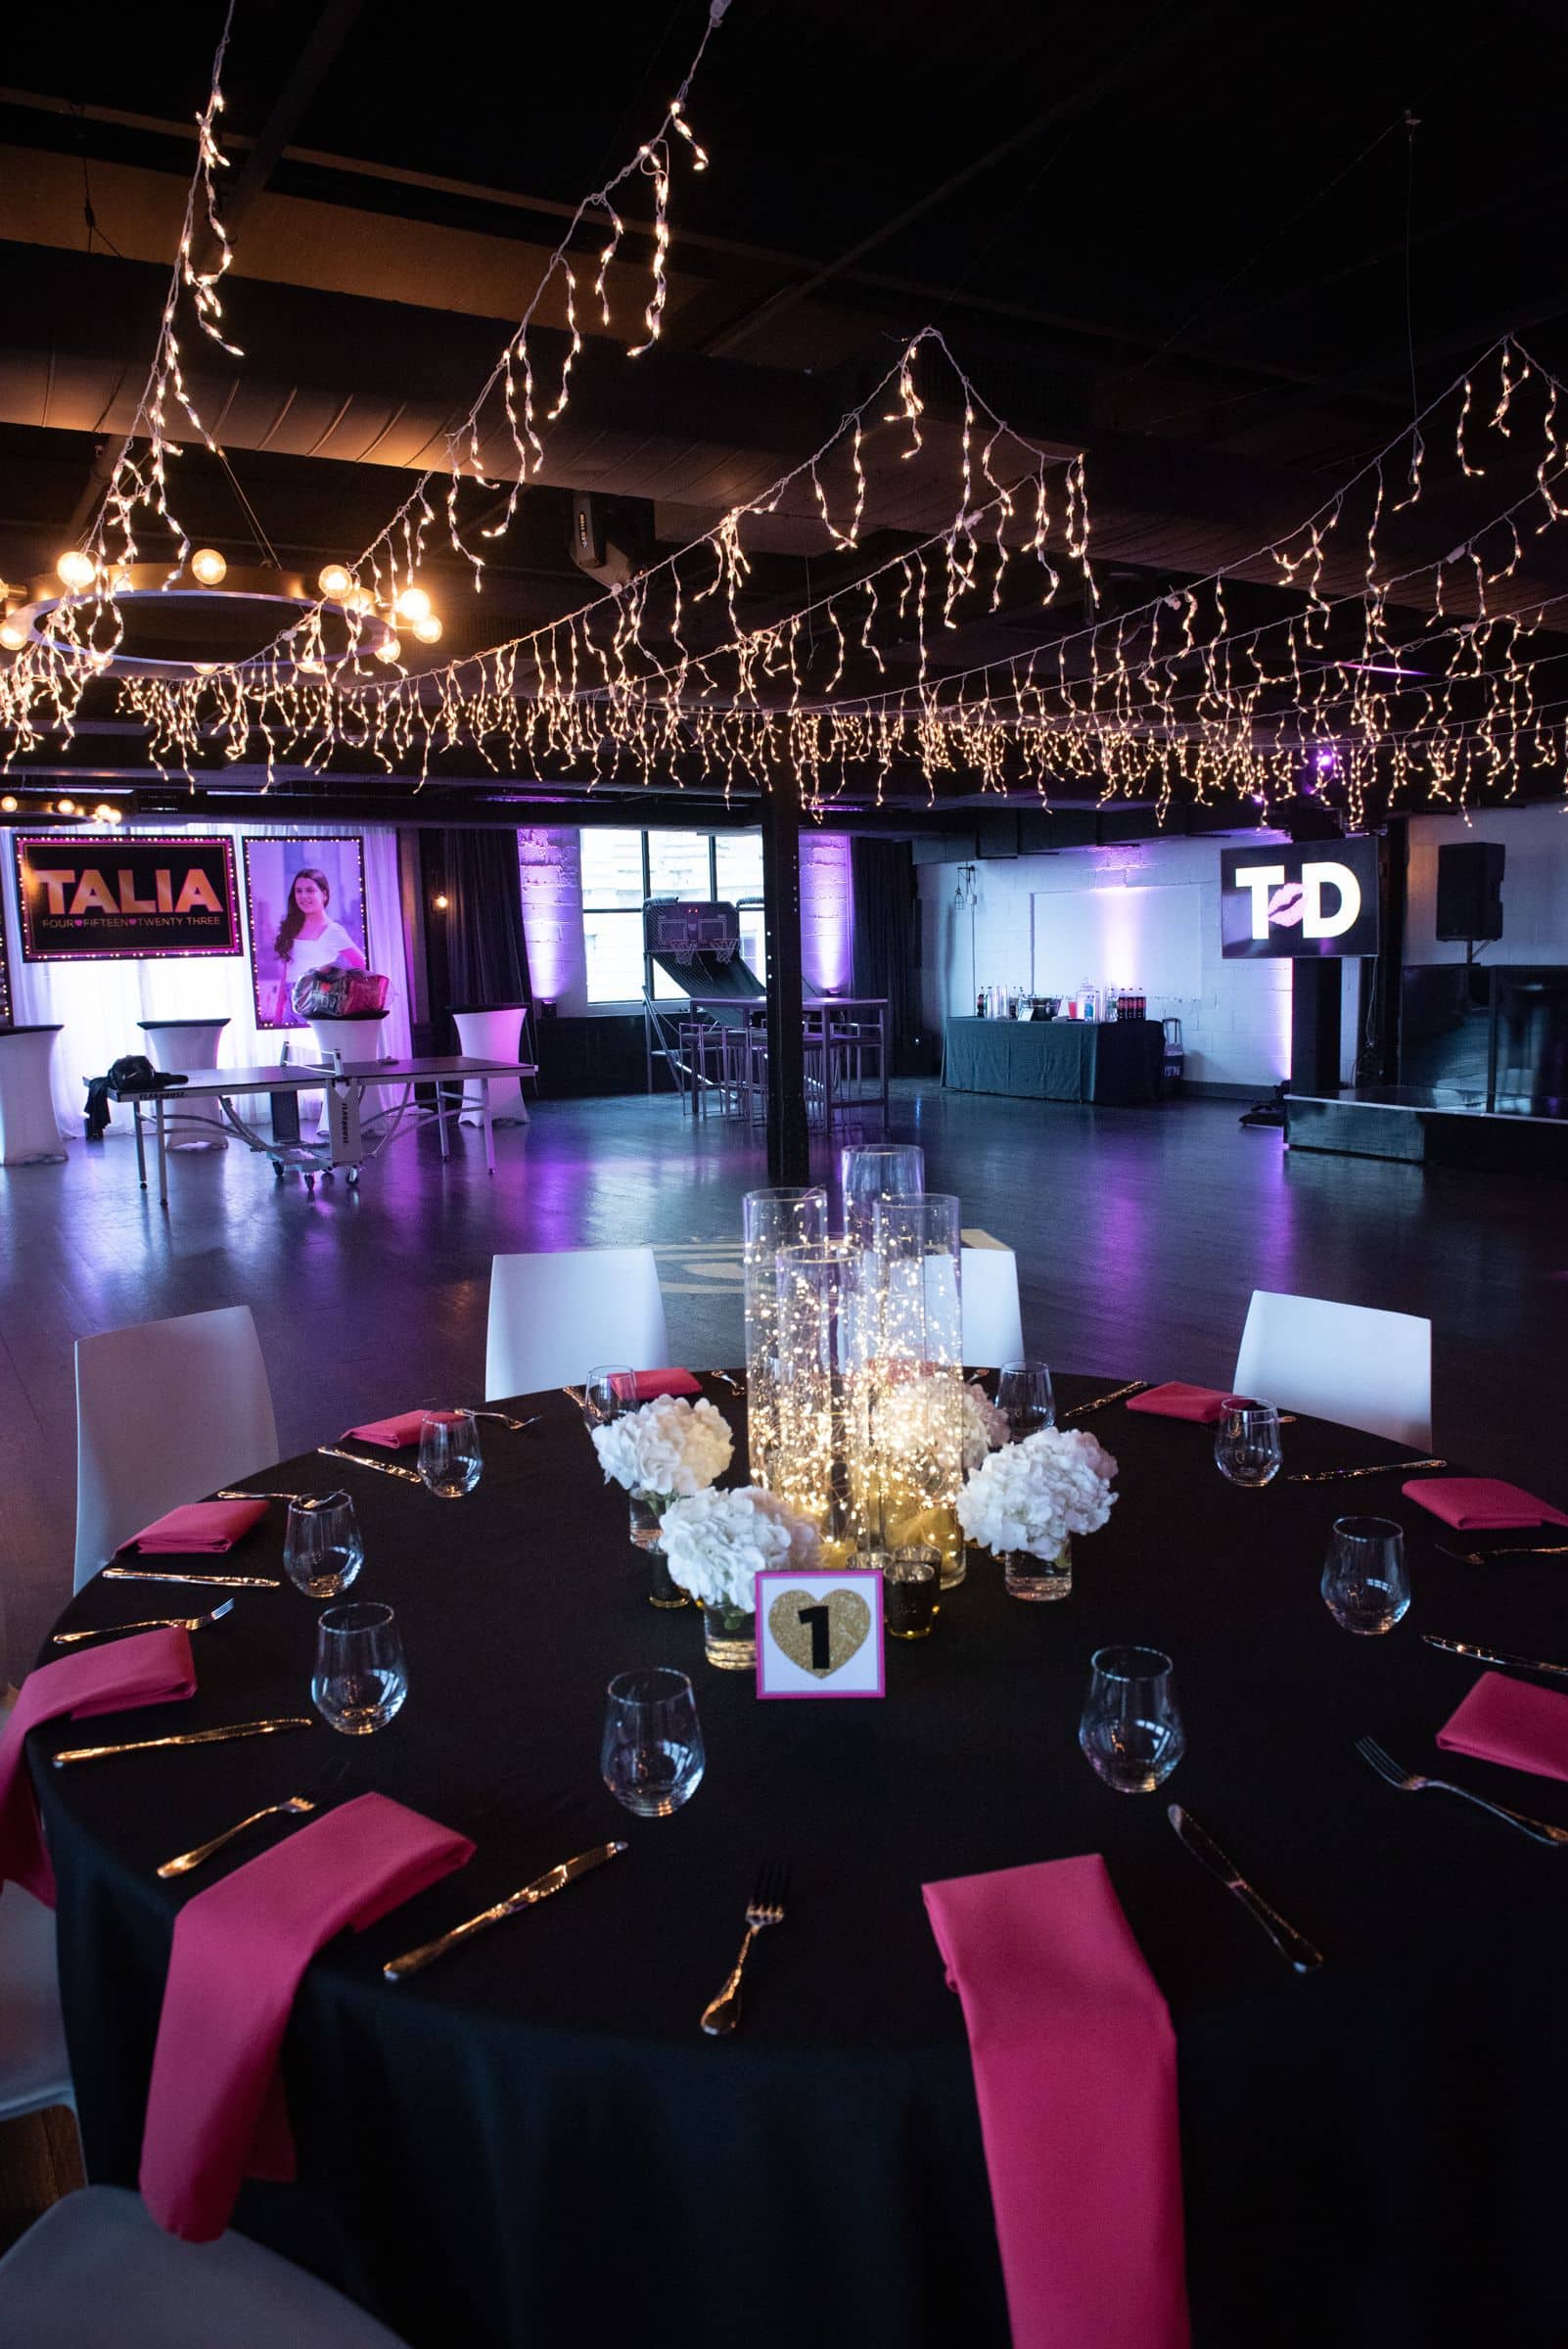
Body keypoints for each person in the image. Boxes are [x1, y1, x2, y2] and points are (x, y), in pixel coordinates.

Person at [268, 866, 365, 1024]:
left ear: (324, 894)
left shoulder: (333, 930)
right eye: (298, 891)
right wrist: (278, 1014)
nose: (303, 896)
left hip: (317, 1002)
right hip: (289, 1006)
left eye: (310, 890)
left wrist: (337, 991)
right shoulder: (292, 928)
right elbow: (286, 975)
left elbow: (361, 963)